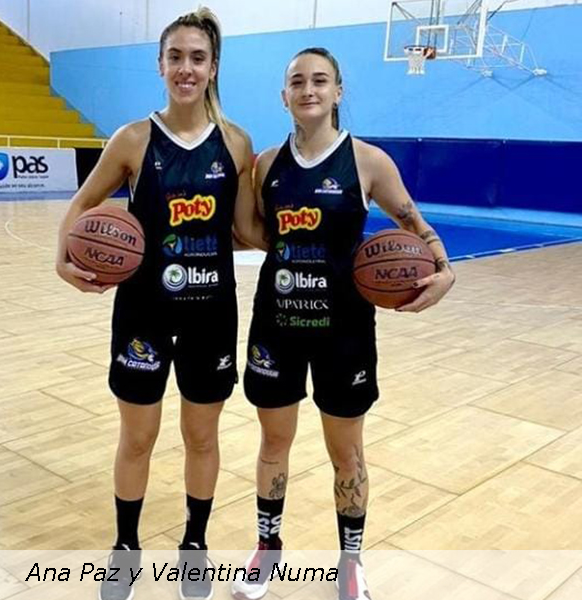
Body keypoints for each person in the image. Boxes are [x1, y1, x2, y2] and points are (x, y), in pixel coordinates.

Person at [230, 47, 455, 600]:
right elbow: (254, 234)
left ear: (337, 91)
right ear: (284, 95)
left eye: (320, 80)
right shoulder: (265, 165)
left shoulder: (368, 161)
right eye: (297, 82)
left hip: (345, 330)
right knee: (273, 442)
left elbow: (412, 221)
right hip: (277, 324)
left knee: (347, 453)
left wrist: (443, 268)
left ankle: (350, 562)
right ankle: (267, 547)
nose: (308, 90)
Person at [55, 8, 257, 600]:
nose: (186, 68)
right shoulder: (133, 139)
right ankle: (125, 547)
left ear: (213, 67)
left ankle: (194, 545)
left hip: (210, 313)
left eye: (198, 58)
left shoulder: (236, 143)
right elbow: (82, 205)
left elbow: (245, 230)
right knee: (137, 437)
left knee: (202, 437)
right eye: (175, 57)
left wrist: (314, 244)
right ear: (161, 65)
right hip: (143, 311)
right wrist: (62, 259)